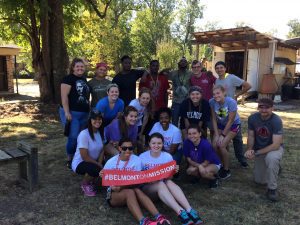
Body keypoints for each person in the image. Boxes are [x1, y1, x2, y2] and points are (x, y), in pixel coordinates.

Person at [100, 137, 171, 225]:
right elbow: (106, 181)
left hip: (130, 188)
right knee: (129, 192)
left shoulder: (137, 160)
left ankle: (159, 216)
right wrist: (106, 180)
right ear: (119, 148)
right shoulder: (111, 162)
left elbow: (139, 179)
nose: (127, 151)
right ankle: (143, 221)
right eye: (124, 148)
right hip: (114, 193)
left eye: (130, 148)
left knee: (135, 190)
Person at [139, 133, 203, 225]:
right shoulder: (142, 157)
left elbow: (170, 177)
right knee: (161, 184)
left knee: (168, 182)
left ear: (163, 144)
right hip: (148, 189)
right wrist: (151, 179)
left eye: (159, 143)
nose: (156, 146)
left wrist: (173, 171)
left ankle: (189, 210)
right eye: (153, 143)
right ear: (149, 143)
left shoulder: (167, 156)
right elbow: (139, 177)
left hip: (163, 188)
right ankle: (180, 211)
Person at [244, 98, 284, 202]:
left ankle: (272, 189)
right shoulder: (252, 118)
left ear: (272, 108)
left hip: (274, 149)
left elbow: (276, 145)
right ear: (258, 107)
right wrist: (250, 150)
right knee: (259, 181)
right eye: (261, 107)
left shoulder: (276, 120)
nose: (264, 110)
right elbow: (251, 136)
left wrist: (256, 153)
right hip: (260, 149)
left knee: (272, 159)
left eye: (267, 107)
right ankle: (275, 168)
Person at [215, 61, 251, 168]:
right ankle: (224, 157)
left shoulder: (231, 78)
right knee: (225, 131)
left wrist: (237, 95)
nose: (219, 69)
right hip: (221, 110)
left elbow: (248, 85)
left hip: (231, 108)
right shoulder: (217, 81)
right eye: (217, 68)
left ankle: (241, 159)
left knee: (237, 136)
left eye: (221, 67)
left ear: (225, 68)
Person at [59, 58, 90, 168]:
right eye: (77, 66)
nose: (80, 68)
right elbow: (64, 97)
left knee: (81, 137)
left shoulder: (84, 79)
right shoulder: (67, 79)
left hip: (84, 114)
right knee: (73, 136)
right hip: (72, 113)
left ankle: (79, 157)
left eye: (82, 66)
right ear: (73, 67)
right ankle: (69, 158)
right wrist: (67, 112)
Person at [209, 85, 241, 180]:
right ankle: (220, 164)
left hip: (233, 125)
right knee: (214, 144)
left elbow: (231, 120)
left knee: (221, 145)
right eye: (214, 94)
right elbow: (214, 119)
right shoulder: (212, 102)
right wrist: (217, 134)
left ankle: (226, 170)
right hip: (220, 125)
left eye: (218, 93)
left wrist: (222, 135)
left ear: (224, 93)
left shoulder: (231, 102)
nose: (216, 96)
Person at [71, 109, 104, 196]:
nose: (97, 121)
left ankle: (93, 179)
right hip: (80, 162)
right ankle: (85, 184)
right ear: (90, 120)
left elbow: (102, 150)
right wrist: (99, 165)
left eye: (99, 119)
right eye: (94, 119)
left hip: (93, 161)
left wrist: (100, 163)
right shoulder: (84, 134)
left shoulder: (99, 132)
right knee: (96, 170)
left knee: (104, 168)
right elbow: (84, 157)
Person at [168, 57, 192, 126]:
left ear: (187, 64)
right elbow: (162, 74)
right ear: (178, 64)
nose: (183, 63)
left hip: (187, 101)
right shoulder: (173, 73)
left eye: (185, 62)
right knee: (174, 121)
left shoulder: (190, 74)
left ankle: (186, 136)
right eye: (181, 61)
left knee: (187, 121)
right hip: (176, 101)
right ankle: (175, 136)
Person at [129, 88, 154, 152]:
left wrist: (141, 132)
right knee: (132, 142)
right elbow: (128, 119)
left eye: (147, 98)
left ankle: (141, 155)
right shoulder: (133, 104)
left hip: (138, 123)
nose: (145, 100)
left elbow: (145, 117)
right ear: (139, 97)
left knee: (140, 141)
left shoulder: (147, 104)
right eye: (143, 98)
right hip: (130, 124)